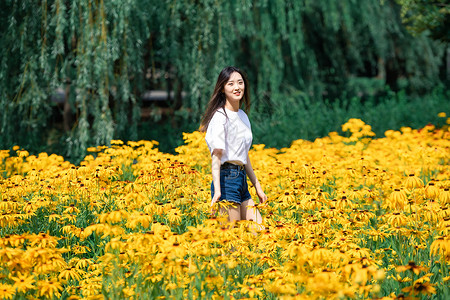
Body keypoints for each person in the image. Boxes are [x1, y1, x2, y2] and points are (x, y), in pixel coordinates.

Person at [200, 66, 267, 224]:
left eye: (240, 83)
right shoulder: (220, 117)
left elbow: (244, 156)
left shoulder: (243, 116)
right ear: (222, 89)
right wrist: (217, 190)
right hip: (226, 180)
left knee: (259, 230)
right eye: (230, 84)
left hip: (241, 180)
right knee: (232, 241)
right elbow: (216, 157)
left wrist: (257, 186)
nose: (237, 87)